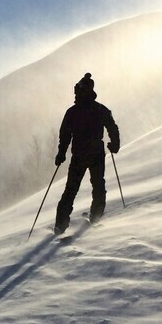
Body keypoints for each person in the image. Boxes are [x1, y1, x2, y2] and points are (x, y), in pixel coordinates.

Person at [54, 73, 120, 234]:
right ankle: (96, 216)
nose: (75, 94)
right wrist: (114, 145)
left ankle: (60, 225)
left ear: (80, 91)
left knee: (71, 190)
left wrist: (61, 153)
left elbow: (65, 135)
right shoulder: (100, 109)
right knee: (98, 185)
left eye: (76, 91)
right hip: (97, 154)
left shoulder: (72, 112)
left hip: (79, 156)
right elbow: (112, 127)